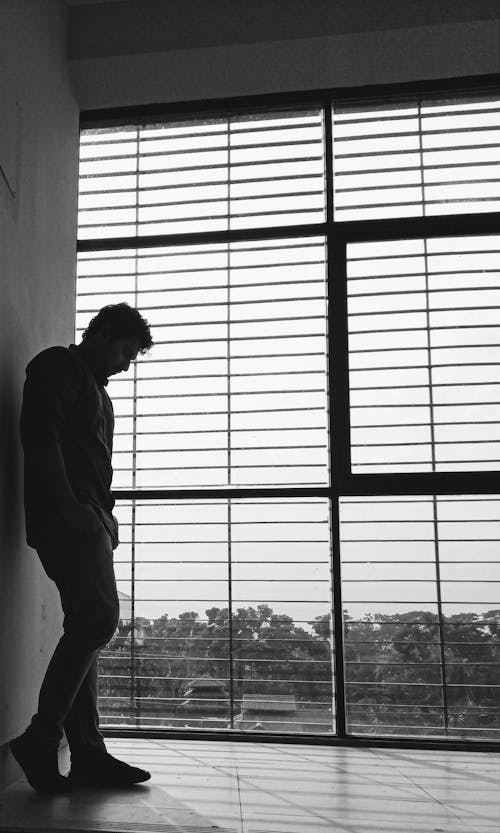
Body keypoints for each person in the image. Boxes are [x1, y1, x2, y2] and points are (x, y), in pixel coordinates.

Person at [11, 303, 154, 794]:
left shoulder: (97, 391)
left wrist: (102, 517)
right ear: (102, 332)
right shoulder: (58, 366)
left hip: (89, 517)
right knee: (96, 621)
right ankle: (41, 738)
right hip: (69, 516)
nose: (126, 364)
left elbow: (89, 461)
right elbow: (40, 436)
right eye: (124, 351)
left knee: (86, 627)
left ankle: (88, 753)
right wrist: (72, 509)